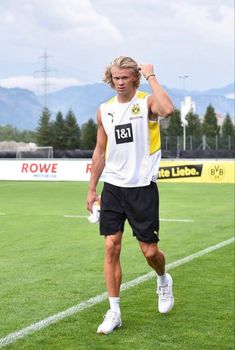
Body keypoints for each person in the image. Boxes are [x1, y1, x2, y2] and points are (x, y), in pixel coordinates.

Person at [86, 56, 175, 335]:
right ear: (109, 78)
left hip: (142, 187)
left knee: (149, 251)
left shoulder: (146, 102)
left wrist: (151, 76)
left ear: (134, 78)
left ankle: (163, 280)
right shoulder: (105, 110)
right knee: (111, 246)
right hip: (113, 187)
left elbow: (168, 109)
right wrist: (92, 188)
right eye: (115, 78)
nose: (120, 83)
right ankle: (114, 311)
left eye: (125, 77)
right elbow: (100, 151)